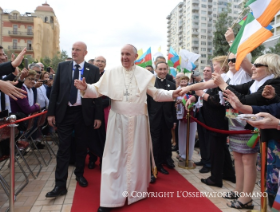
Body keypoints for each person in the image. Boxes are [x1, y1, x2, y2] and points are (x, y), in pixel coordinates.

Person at [74, 44, 181, 212]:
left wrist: (172, 94)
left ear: (134, 56)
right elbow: (97, 90)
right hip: (118, 121)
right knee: (115, 158)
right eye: (122, 54)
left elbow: (156, 94)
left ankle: (135, 191)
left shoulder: (145, 74)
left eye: (127, 54)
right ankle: (111, 198)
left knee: (136, 158)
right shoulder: (111, 73)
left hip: (138, 122)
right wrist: (85, 88)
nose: (124, 57)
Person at [214, 54, 280, 209]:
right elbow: (278, 108)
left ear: (271, 68)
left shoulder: (278, 83)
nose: (253, 67)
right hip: (271, 137)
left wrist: (225, 87)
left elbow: (274, 109)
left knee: (277, 182)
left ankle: (250, 199)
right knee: (271, 181)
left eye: (257, 64)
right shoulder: (264, 83)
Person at [46, 41, 102, 198]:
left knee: (81, 147)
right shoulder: (63, 66)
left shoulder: (93, 70)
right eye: (73, 49)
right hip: (65, 113)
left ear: (85, 52)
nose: (74, 52)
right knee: (63, 148)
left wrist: (98, 116)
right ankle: (60, 184)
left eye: (78, 50)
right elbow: (55, 91)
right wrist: (51, 113)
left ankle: (79, 174)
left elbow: (96, 94)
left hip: (83, 113)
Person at [183, 55, 235, 188]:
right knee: (221, 149)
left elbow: (218, 102)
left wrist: (202, 95)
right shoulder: (218, 79)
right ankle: (228, 173)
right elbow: (204, 86)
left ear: (222, 67)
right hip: (212, 120)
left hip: (217, 121)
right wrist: (191, 91)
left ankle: (215, 178)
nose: (212, 69)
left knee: (216, 150)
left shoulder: (226, 80)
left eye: (215, 66)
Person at [147, 61, 177, 179]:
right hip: (154, 118)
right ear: (156, 70)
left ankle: (167, 159)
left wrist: (174, 120)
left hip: (167, 118)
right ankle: (157, 164)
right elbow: (148, 103)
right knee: (155, 142)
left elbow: (173, 105)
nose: (163, 71)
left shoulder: (172, 84)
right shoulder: (150, 84)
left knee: (166, 140)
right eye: (160, 69)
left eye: (165, 69)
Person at [194, 66, 213, 173]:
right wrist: (192, 98)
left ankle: (208, 163)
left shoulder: (213, 85)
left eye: (208, 71)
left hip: (209, 115)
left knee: (208, 140)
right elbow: (195, 96)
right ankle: (204, 159)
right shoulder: (201, 83)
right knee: (202, 138)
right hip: (199, 113)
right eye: (204, 70)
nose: (205, 72)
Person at [176, 76, 197, 164]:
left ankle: (188, 155)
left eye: (185, 81)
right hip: (181, 114)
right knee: (181, 134)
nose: (183, 82)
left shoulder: (191, 90)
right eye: (182, 81)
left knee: (190, 135)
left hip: (190, 115)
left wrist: (187, 102)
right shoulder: (177, 89)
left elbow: (195, 101)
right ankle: (181, 153)